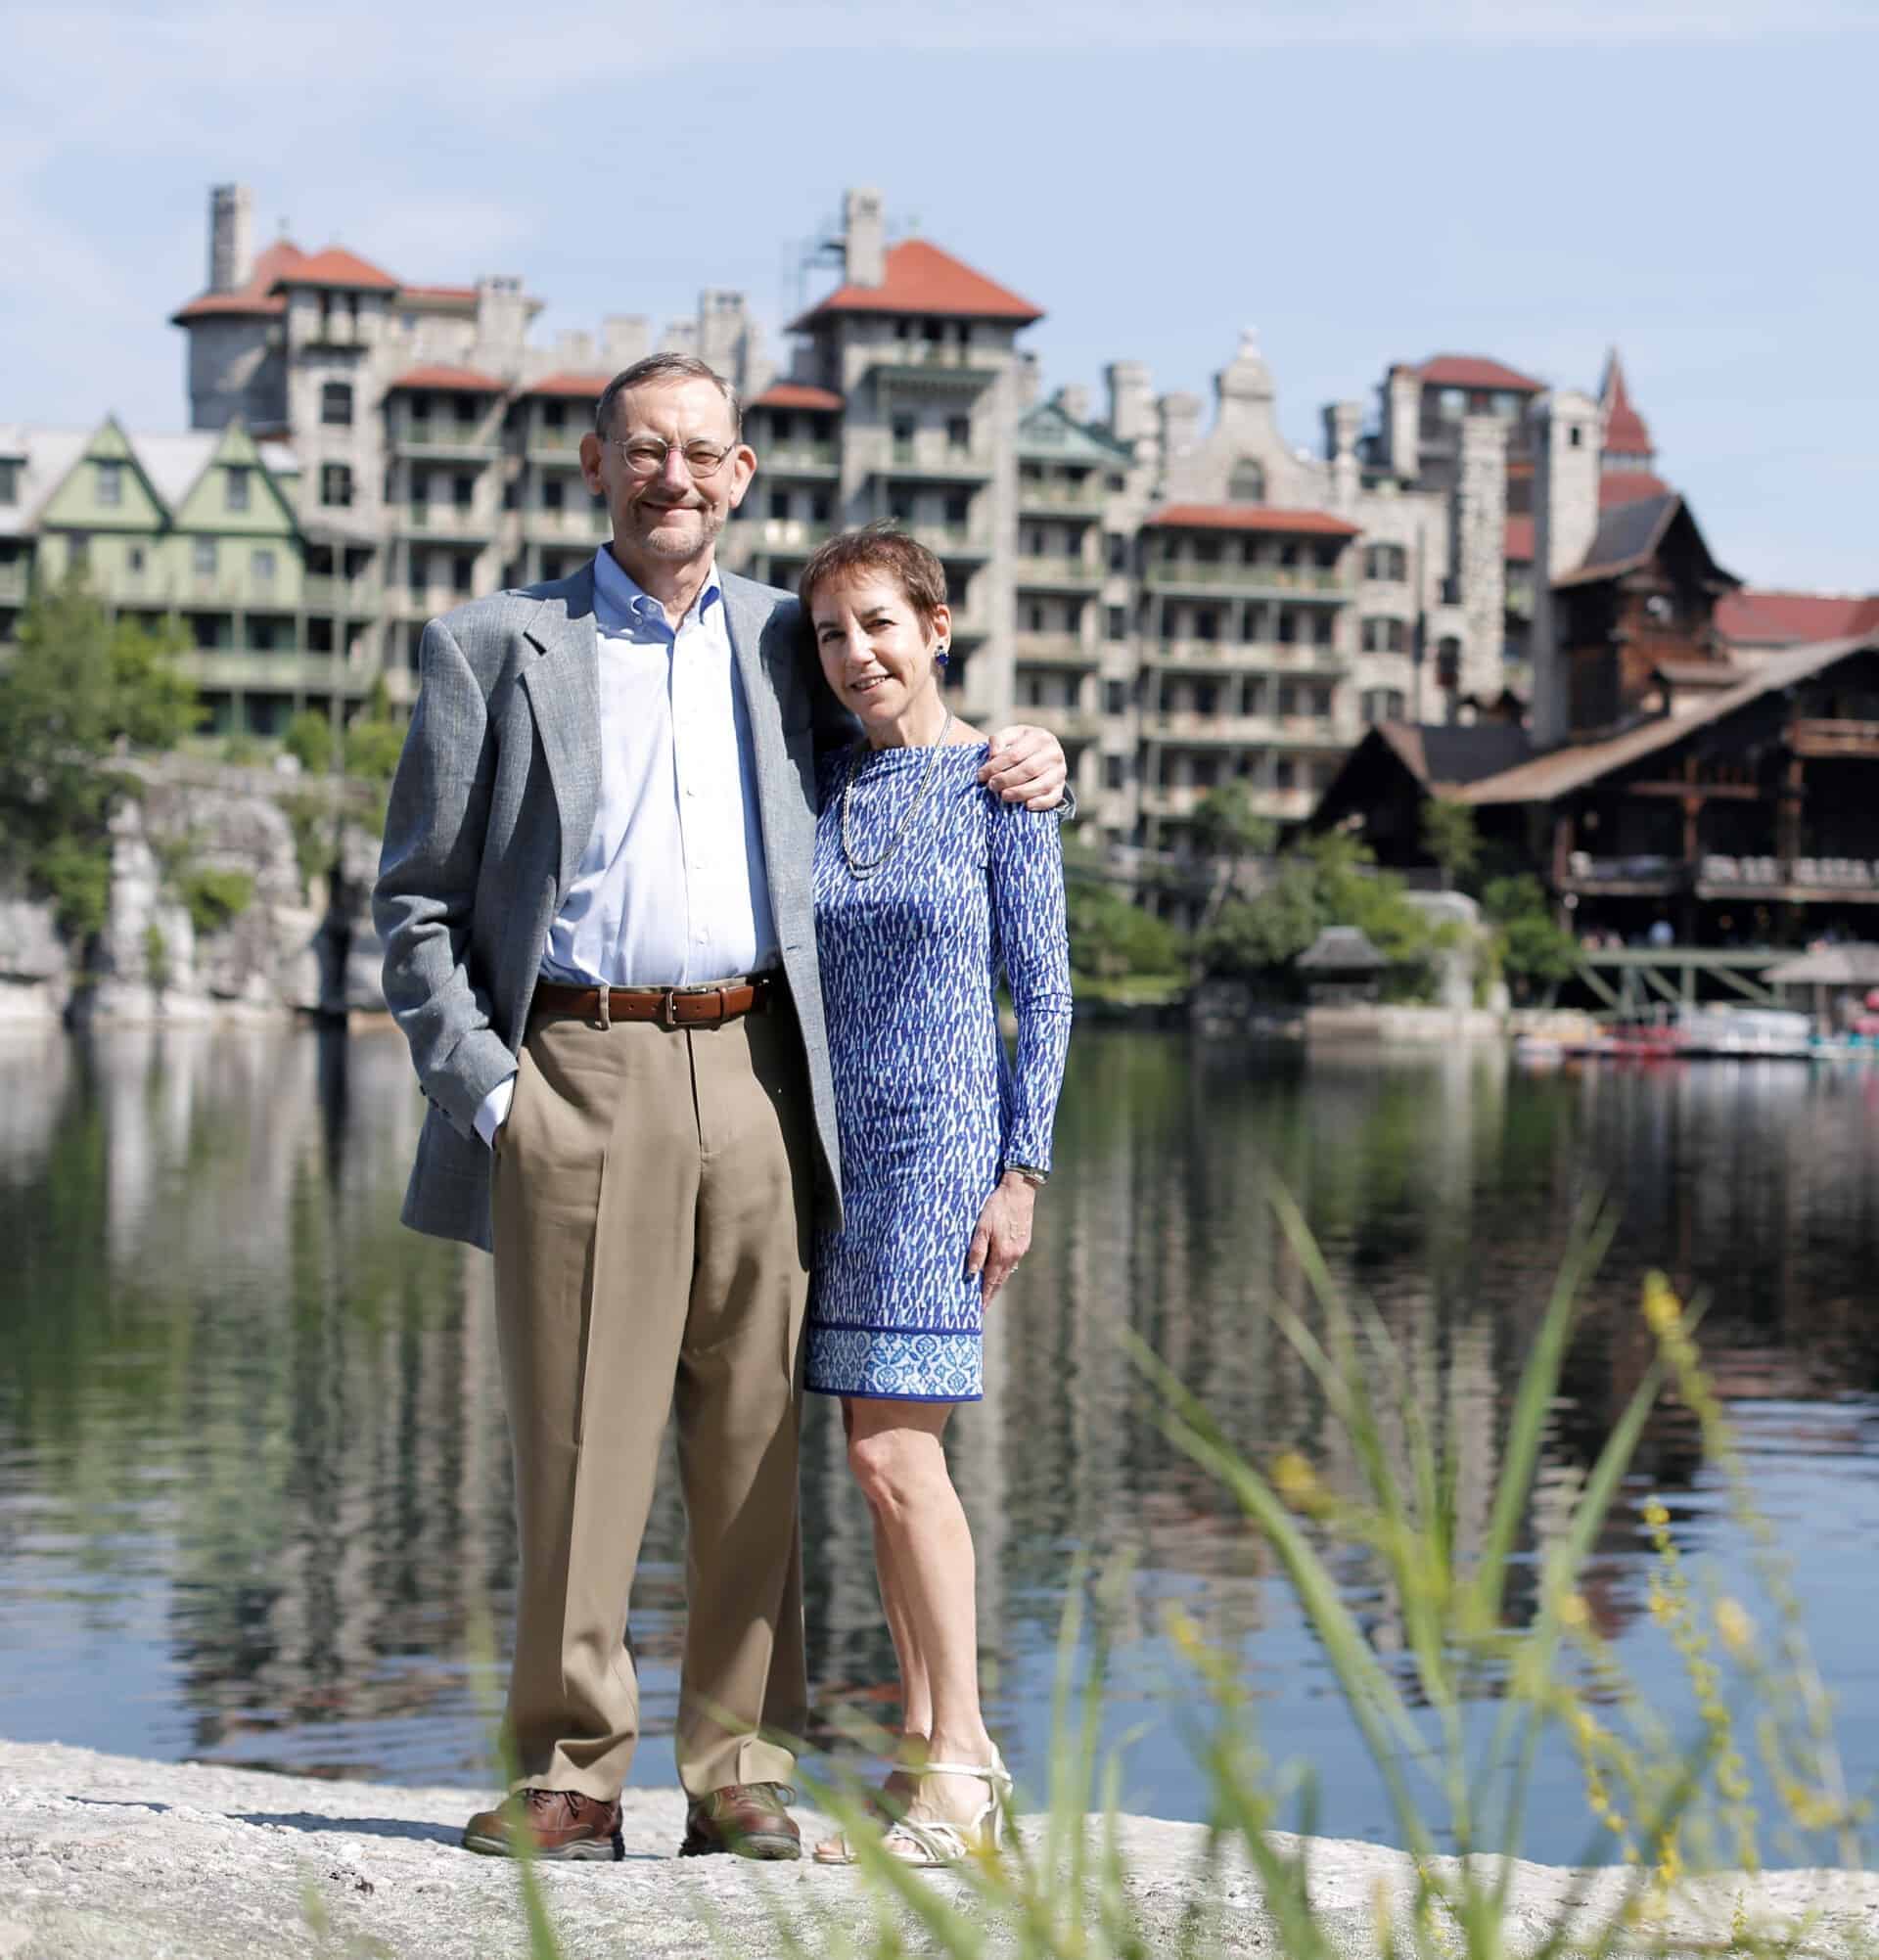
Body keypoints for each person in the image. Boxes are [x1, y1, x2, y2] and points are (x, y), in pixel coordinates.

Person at [372, 353, 1068, 1864]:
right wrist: (495, 1094)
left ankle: (740, 1768)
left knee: (753, 1439)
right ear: (593, 463)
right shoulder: (494, 645)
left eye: (701, 453)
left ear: (740, 474)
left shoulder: (783, 643)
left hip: (763, 1070)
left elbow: (911, 739)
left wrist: (1033, 748)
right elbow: (414, 902)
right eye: (643, 450)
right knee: (577, 1434)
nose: (671, 475)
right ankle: (572, 1769)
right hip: (575, 1064)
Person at [794, 528, 1072, 1868]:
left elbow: (1049, 991)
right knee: (871, 1456)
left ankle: (961, 1764)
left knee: (903, 1456)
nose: (857, 655)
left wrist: (1024, 1169)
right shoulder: (826, 790)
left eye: (879, 626)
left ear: (937, 628)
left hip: (942, 1148)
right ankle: (927, 1759)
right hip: (836, 1158)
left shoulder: (999, 787)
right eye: (835, 636)